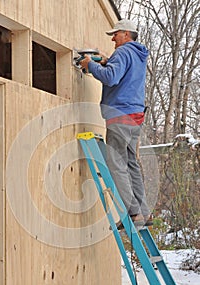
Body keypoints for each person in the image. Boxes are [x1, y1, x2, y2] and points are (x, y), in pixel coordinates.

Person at [80, 19, 153, 228]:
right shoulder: (138, 55)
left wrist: (90, 65)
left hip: (119, 115)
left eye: (116, 34)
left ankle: (132, 213)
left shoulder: (123, 52)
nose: (113, 38)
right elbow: (120, 74)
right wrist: (104, 62)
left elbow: (111, 78)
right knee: (131, 165)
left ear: (127, 34)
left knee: (116, 165)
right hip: (135, 116)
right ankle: (144, 213)